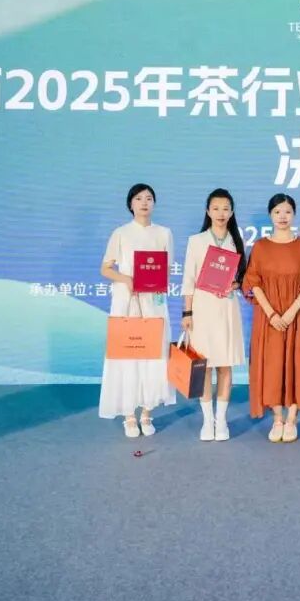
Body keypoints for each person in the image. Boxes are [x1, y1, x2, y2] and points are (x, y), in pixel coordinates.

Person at [99, 183, 176, 438]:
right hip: (127, 301)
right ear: (130, 204)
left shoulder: (164, 233)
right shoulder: (121, 233)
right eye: (139, 198)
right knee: (128, 354)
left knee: (153, 354)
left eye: (149, 198)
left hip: (153, 302)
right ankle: (129, 415)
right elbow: (105, 268)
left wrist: (154, 284)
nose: (144, 202)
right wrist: (126, 279)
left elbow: (166, 270)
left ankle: (146, 413)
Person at [242, 194, 300, 442]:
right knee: (273, 364)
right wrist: (272, 313)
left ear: (294, 214)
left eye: (287, 211)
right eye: (277, 212)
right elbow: (253, 282)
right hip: (269, 318)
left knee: (298, 364)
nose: (282, 216)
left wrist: (291, 311)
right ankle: (277, 418)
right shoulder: (260, 247)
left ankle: (292, 419)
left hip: (297, 315)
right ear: (270, 215)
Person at [180, 189, 247, 442]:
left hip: (227, 308)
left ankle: (222, 421)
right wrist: (187, 312)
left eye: (226, 208)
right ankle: (208, 421)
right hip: (202, 309)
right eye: (216, 208)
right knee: (205, 366)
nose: (221, 213)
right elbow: (188, 278)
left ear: (232, 212)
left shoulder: (236, 240)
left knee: (225, 365)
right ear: (208, 211)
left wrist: (235, 285)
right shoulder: (196, 241)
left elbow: (244, 277)